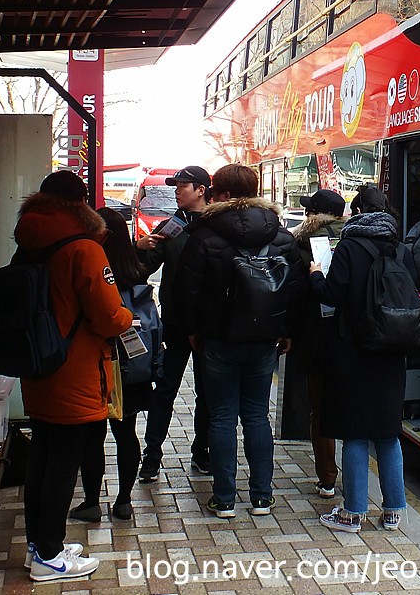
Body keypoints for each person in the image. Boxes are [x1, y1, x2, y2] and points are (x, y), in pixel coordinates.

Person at [16, 170, 132, 582]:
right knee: (64, 464)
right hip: (77, 370)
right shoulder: (84, 248)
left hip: (39, 367)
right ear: (81, 203)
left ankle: (38, 545)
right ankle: (50, 557)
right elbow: (108, 316)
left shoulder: (28, 242)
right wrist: (128, 316)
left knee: (42, 458)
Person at [174, 163, 303, 518]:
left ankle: (224, 498)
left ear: (221, 194)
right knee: (257, 417)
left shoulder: (204, 234)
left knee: (222, 417)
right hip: (264, 340)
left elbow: (187, 289)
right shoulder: (281, 235)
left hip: (217, 339)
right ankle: (262, 496)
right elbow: (295, 289)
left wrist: (191, 329)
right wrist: (287, 330)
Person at [307, 184, 415, 534]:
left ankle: (353, 512)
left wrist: (315, 275)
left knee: (354, 433)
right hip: (391, 349)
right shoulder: (401, 248)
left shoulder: (350, 246)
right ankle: (394, 511)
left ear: (355, 212)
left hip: (353, 351)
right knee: (387, 432)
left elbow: (332, 294)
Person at [72, 205, 162, 523]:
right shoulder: (135, 271)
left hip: (96, 365)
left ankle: (92, 502)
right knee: (126, 434)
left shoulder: (92, 268)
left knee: (93, 436)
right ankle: (124, 501)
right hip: (134, 369)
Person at [134, 165, 212, 482]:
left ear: (201, 190)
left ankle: (202, 452)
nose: (177, 191)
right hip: (177, 324)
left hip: (208, 328)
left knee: (207, 394)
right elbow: (143, 268)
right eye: (176, 186)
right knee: (165, 390)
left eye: (182, 186)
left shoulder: (217, 225)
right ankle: (151, 457)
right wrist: (136, 248)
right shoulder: (172, 226)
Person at [289, 188, 347, 498]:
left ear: (315, 214)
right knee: (351, 408)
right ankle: (355, 478)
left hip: (315, 337)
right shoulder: (355, 239)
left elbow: (295, 291)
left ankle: (327, 478)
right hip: (351, 335)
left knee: (320, 411)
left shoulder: (300, 243)